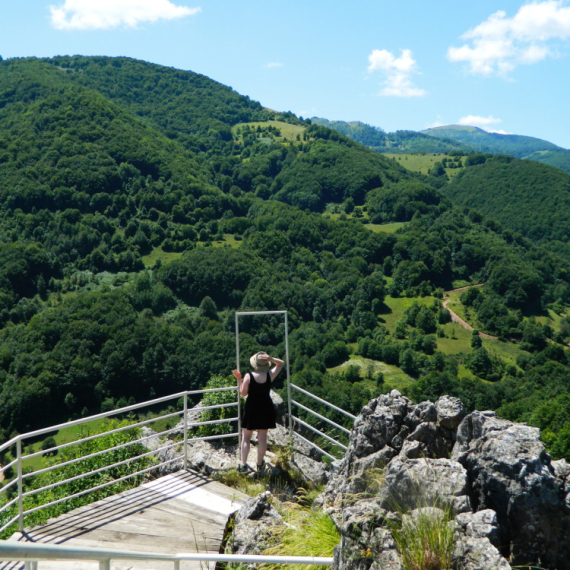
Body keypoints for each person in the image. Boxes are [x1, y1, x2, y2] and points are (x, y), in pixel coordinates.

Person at [233, 351, 284, 473]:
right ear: (266, 364)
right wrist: (271, 358)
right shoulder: (269, 375)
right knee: (262, 438)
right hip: (265, 407)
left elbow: (243, 393)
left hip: (251, 407)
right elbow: (281, 364)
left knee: (246, 438)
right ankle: (260, 465)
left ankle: (243, 465)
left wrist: (239, 380)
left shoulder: (248, 376)